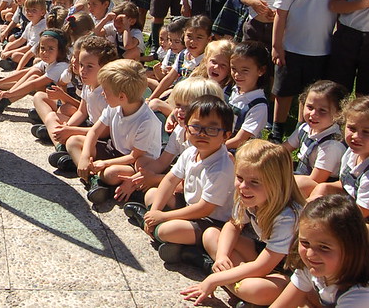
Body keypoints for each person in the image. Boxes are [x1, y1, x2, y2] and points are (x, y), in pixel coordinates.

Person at [181, 140, 305, 307]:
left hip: (289, 272)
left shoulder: (287, 217)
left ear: (276, 183)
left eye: (255, 182)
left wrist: (214, 279)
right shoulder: (247, 195)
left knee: (254, 289)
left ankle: (224, 277)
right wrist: (223, 256)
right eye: (239, 177)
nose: (244, 186)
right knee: (211, 234)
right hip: (265, 255)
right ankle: (234, 282)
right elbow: (233, 225)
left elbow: (263, 266)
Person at [139, 96, 236, 269]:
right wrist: (155, 210)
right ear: (186, 127)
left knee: (166, 230)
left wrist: (163, 216)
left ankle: (189, 248)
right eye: (196, 127)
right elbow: (170, 180)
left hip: (211, 221)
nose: (202, 133)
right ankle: (173, 241)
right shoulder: (191, 152)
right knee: (152, 195)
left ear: (226, 135)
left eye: (212, 129)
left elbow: (205, 208)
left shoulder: (221, 167)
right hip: (189, 205)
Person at [270, 0, 342, 143]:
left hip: (321, 50)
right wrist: (277, 45)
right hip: (291, 48)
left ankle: (303, 132)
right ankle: (277, 129)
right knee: (283, 92)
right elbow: (280, 14)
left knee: (309, 95)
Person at [67, 59, 162, 205]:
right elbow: (94, 131)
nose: (103, 94)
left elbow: (133, 157)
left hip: (134, 163)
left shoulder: (146, 121)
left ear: (122, 96)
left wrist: (104, 163)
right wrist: (86, 156)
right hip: (114, 149)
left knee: (110, 174)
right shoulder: (115, 106)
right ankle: (92, 178)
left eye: (105, 90)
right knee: (73, 141)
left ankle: (97, 180)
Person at [119, 78, 225, 203]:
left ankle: (153, 210)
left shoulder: (203, 141)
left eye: (188, 107)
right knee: (142, 163)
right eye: (178, 105)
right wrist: (137, 178)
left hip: (196, 192)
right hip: (181, 177)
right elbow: (162, 162)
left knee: (153, 194)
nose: (180, 111)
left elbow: (189, 181)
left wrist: (154, 178)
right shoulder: (180, 130)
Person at [270, 194, 369, 308]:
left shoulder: (360, 296)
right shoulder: (311, 268)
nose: (310, 254)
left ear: (352, 248)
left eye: (324, 247)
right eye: (305, 243)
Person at [39, 36, 118, 169]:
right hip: (89, 126)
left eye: (89, 67)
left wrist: (71, 130)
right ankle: (61, 149)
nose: (82, 71)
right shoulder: (88, 84)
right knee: (52, 117)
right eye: (81, 65)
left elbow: (104, 132)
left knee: (72, 141)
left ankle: (79, 163)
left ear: (105, 67)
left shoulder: (107, 93)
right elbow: (82, 111)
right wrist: (66, 127)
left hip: (101, 136)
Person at [282, 80, 348, 198]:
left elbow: (314, 181)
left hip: (318, 191)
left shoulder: (332, 145)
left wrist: (281, 180)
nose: (313, 114)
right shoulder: (305, 128)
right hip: (300, 177)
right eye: (310, 107)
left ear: (339, 113)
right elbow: (283, 150)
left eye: (322, 110)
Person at [308, 96, 369, 220]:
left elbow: (362, 211)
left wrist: (328, 210)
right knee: (323, 187)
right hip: (351, 202)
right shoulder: (352, 153)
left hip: (362, 219)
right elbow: (346, 184)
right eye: (352, 128)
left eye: (366, 132)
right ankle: (301, 216)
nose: (356, 136)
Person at [0, 30, 70, 114]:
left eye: (51, 49)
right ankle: (3, 99)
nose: (45, 52)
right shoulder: (48, 62)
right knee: (35, 72)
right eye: (42, 48)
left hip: (65, 101)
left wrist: (10, 93)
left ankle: (6, 99)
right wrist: (2, 81)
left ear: (60, 51)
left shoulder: (61, 66)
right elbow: (27, 71)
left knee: (35, 80)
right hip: (54, 93)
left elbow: (35, 84)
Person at [148, 15, 213, 105]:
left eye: (199, 37)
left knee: (155, 104)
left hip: (191, 101)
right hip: (176, 94)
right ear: (184, 34)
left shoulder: (207, 60)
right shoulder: (183, 54)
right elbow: (169, 78)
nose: (192, 42)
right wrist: (151, 98)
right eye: (189, 36)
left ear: (208, 39)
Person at [226, 41, 271, 151]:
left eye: (244, 70)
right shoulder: (230, 90)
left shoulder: (258, 105)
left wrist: (214, 147)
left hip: (238, 152)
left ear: (261, 70)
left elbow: (240, 140)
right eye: (234, 69)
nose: (237, 75)